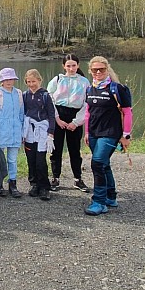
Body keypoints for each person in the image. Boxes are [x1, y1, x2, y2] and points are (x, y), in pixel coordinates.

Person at [84, 56, 133, 216]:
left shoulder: (117, 88)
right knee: (104, 164)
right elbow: (88, 112)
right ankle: (111, 196)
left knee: (97, 163)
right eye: (94, 69)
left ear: (107, 69)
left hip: (111, 133)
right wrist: (86, 132)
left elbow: (127, 112)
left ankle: (99, 201)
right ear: (90, 71)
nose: (98, 72)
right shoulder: (90, 88)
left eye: (101, 69)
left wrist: (126, 135)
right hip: (93, 133)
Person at [47, 54, 91, 192]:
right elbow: (49, 99)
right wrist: (56, 118)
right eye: (68, 66)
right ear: (64, 66)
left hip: (75, 116)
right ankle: (55, 178)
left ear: (78, 65)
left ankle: (78, 179)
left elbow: (87, 103)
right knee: (56, 149)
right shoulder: (57, 80)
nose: (71, 68)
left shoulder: (84, 82)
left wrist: (76, 122)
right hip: (58, 114)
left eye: (74, 65)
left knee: (74, 150)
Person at [0, 68, 24, 198]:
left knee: (12, 160)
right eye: (6, 79)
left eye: (11, 79)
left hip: (15, 131)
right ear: (2, 81)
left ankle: (12, 183)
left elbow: (21, 115)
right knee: (0, 159)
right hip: (2, 132)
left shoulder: (19, 94)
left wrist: (22, 132)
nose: (9, 81)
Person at [22, 69, 55, 201]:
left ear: (39, 80)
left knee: (40, 160)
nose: (31, 84)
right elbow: (23, 113)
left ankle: (44, 187)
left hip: (42, 130)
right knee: (31, 158)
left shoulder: (46, 95)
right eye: (29, 82)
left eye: (33, 81)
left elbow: (52, 115)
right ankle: (34, 183)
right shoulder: (25, 95)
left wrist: (51, 133)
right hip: (29, 130)